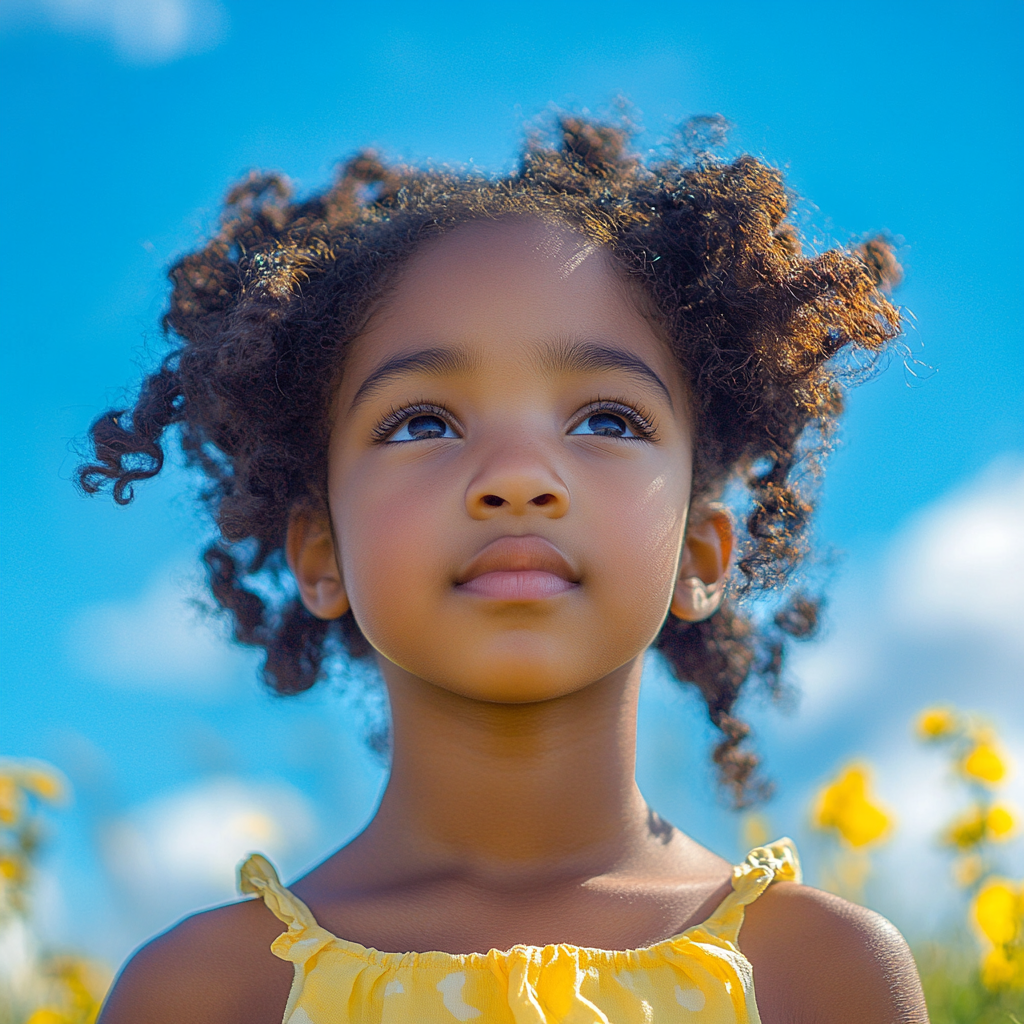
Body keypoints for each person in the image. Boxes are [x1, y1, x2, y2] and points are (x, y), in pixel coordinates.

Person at [82, 116, 928, 1023]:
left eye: (606, 420)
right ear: (320, 555)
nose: (518, 477)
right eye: (423, 423)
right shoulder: (203, 992)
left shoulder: (820, 975)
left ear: (699, 551)